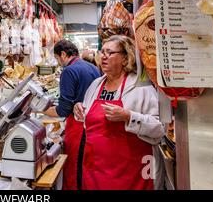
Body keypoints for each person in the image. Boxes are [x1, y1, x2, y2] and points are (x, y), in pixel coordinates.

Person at [74, 35, 165, 190]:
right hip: (96, 169)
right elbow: (89, 121)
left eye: (110, 52)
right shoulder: (96, 85)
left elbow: (159, 129)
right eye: (102, 52)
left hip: (132, 171)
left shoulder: (140, 86)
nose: (103, 56)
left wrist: (129, 116)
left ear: (125, 58)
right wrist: (80, 109)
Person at [43, 39, 100, 190]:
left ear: (63, 54)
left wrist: (40, 109)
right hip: (94, 125)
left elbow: (64, 110)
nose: (58, 62)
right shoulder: (92, 67)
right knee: (87, 168)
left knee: (75, 168)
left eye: (56, 58)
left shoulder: (69, 71)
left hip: (79, 127)